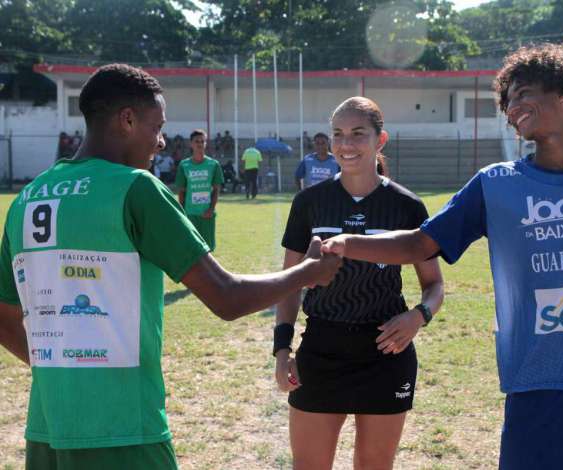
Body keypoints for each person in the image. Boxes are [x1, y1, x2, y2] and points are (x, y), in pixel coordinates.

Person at [322, 44, 563, 470]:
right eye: (508, 100)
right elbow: (418, 245)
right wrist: (348, 243)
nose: (513, 107)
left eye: (523, 93)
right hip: (534, 385)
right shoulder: (496, 185)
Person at [0, 63, 341, 470]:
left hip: (47, 429)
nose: (161, 141)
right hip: (125, 428)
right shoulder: (137, 188)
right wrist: (307, 271)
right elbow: (226, 297)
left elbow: (5, 321)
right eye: (156, 126)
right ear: (127, 120)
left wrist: (68, 370)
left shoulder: (27, 198)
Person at [274, 96, 444, 470]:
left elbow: (434, 286)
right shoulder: (310, 202)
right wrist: (282, 349)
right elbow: (288, 284)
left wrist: (418, 317)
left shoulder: (406, 206)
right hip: (322, 349)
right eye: (338, 134)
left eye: (357, 134)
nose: (345, 144)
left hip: (386, 352)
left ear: (379, 140)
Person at [175, 130, 224, 251]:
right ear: (191, 144)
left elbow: (216, 189)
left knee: (208, 249)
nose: (200, 144)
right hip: (190, 214)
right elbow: (181, 191)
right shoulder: (184, 165)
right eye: (197, 141)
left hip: (206, 214)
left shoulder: (213, 164)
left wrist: (211, 209)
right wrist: (182, 213)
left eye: (203, 141)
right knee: (191, 248)